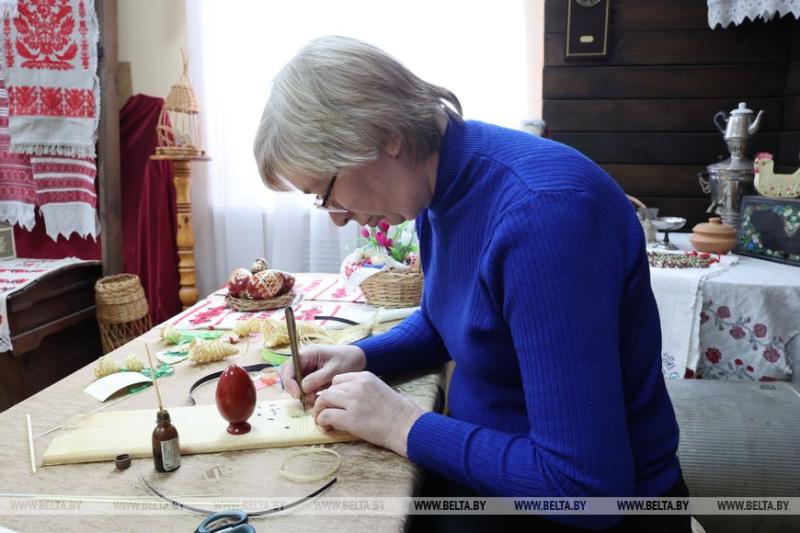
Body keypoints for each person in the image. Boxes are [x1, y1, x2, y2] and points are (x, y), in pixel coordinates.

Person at [253, 35, 689, 532]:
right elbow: (451, 320)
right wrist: (361, 355)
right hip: (495, 479)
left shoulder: (544, 216)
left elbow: (584, 489)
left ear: (386, 135)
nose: (335, 218)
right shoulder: (434, 190)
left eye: (326, 193)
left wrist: (402, 424)